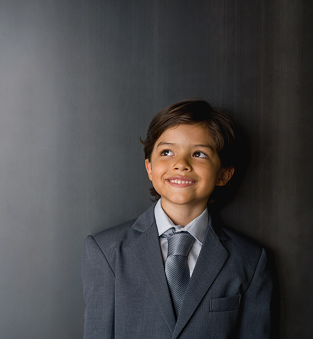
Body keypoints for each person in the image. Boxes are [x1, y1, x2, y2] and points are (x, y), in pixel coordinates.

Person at [81, 99, 273, 338]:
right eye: (167, 152)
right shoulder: (106, 251)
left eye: (199, 153)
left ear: (223, 174)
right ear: (150, 168)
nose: (181, 164)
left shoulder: (250, 260)